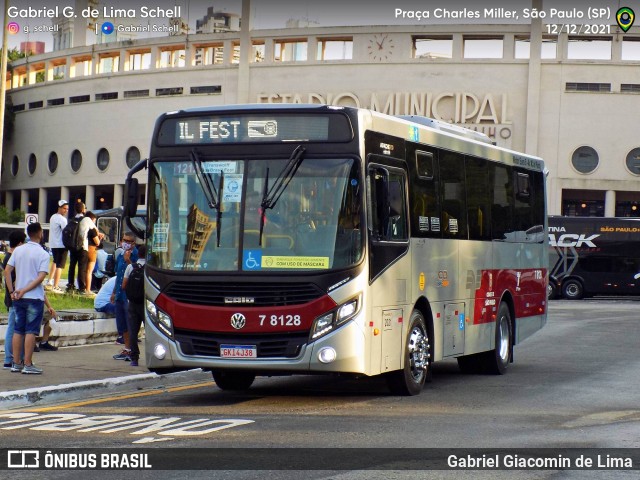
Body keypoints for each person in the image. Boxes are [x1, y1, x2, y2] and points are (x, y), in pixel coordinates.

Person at [4, 222, 56, 374]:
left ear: (28, 233)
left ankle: (16, 362)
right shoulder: (44, 254)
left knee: (18, 330)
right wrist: (25, 290)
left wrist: (13, 291)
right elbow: (40, 278)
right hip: (34, 297)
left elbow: (7, 271)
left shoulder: (18, 250)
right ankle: (28, 364)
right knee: (31, 331)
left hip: (18, 296)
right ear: (40, 233)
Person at [111, 232, 138, 361]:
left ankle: (133, 350)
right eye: (123, 240)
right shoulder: (120, 255)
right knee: (122, 324)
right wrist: (114, 292)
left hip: (130, 294)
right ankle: (127, 349)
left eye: (128, 241)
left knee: (131, 323)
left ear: (133, 243)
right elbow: (118, 275)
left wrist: (129, 261)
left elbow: (136, 272)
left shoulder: (136, 255)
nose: (125, 242)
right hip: (120, 294)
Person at [3, 230, 26, 369]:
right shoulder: (13, 258)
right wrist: (13, 292)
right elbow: (11, 278)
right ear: (19, 243)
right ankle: (9, 358)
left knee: (13, 327)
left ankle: (10, 358)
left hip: (11, 296)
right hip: (14, 296)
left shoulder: (8, 256)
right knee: (13, 328)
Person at [122, 244, 146, 367]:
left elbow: (124, 285)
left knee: (133, 331)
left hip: (132, 304)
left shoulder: (131, 267)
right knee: (152, 331)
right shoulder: (150, 268)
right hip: (147, 304)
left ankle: (134, 359)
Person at [46, 199, 69, 293]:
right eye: (64, 208)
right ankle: (56, 286)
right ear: (59, 208)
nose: (66, 210)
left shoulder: (52, 217)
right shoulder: (62, 219)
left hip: (54, 244)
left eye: (67, 209)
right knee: (60, 265)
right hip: (61, 244)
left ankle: (50, 281)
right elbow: (66, 231)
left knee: (55, 262)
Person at [84, 211, 104, 296]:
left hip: (84, 248)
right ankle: (88, 289)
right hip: (92, 249)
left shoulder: (84, 227)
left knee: (84, 270)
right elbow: (97, 242)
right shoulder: (92, 229)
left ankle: (83, 287)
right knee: (89, 271)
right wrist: (100, 238)